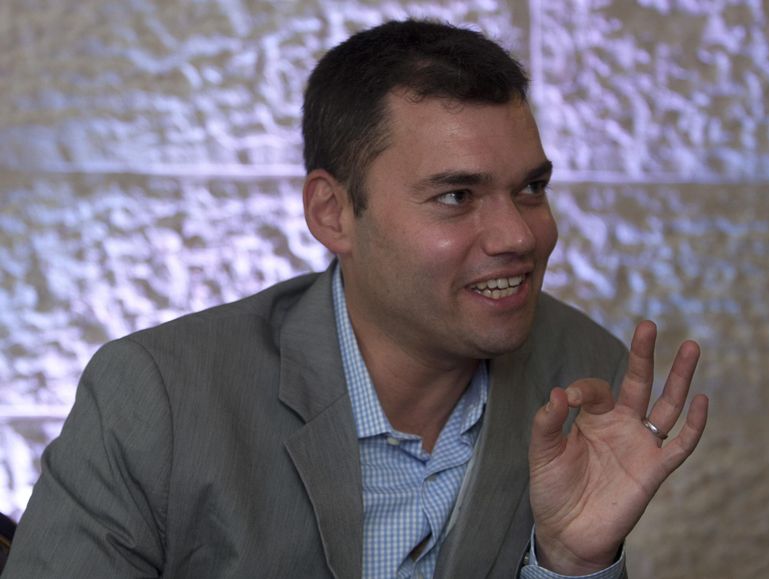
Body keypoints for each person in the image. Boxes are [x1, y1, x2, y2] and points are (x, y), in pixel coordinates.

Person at [3, 19, 708, 578]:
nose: (519, 234)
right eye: (457, 196)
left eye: (531, 187)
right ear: (332, 213)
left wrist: (573, 564)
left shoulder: (586, 375)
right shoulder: (158, 396)